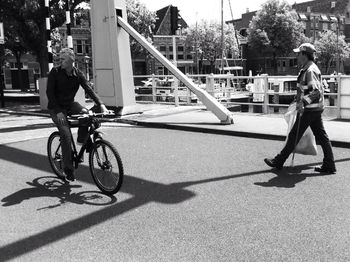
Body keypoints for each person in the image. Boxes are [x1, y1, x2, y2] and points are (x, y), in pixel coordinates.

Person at [264, 43, 336, 174]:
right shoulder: (308, 68)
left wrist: (303, 101)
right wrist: (298, 100)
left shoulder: (310, 70)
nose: (297, 56)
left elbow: (316, 92)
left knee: (294, 135)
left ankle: (278, 161)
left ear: (304, 55)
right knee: (321, 136)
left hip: (309, 109)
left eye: (299, 54)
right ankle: (329, 165)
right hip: (314, 109)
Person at [47, 48, 108, 181]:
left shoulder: (78, 74)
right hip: (56, 107)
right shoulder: (55, 72)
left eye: (63, 59)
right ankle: (68, 169)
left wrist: (101, 104)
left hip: (70, 105)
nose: (60, 61)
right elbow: (49, 94)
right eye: (60, 59)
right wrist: (58, 112)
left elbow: (89, 89)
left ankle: (81, 140)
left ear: (71, 60)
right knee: (66, 134)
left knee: (87, 114)